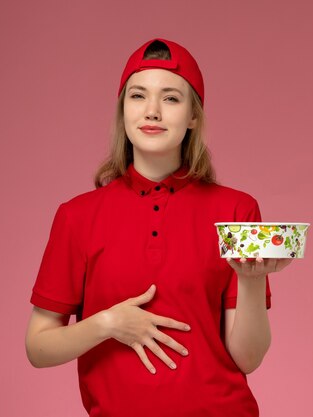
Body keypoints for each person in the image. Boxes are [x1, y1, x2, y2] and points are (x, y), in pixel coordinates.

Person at [25, 37, 293, 417]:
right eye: (138, 96)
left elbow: (248, 359)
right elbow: (38, 348)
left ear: (193, 116)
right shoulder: (76, 216)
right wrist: (107, 323)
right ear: (122, 112)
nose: (152, 111)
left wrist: (251, 279)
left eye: (170, 98)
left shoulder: (236, 209)